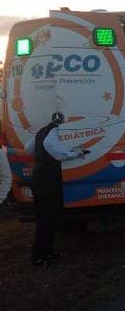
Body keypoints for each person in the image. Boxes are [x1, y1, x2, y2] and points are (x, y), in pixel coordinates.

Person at [24, 112, 87, 267]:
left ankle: (46, 252)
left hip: (39, 179)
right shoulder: (53, 133)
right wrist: (77, 153)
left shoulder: (42, 131)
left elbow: (28, 148)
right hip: (47, 181)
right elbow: (59, 153)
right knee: (47, 219)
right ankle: (40, 256)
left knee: (46, 218)